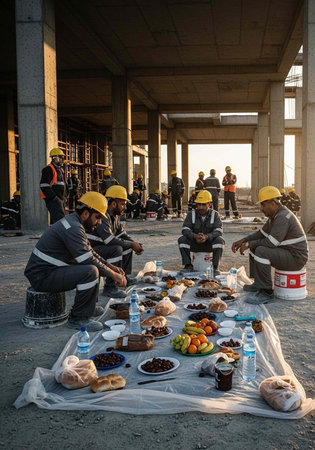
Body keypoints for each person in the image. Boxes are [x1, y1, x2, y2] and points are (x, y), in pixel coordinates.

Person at [24, 192, 127, 331]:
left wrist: (110, 267)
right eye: (97, 217)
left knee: (94, 266)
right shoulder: (73, 227)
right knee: (90, 271)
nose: (99, 222)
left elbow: (90, 252)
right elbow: (87, 259)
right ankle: (79, 318)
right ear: (85, 214)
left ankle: (89, 307)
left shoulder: (75, 223)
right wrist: (113, 275)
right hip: (41, 276)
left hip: (48, 271)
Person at [231, 186, 308, 305]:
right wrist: (244, 240)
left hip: (296, 258)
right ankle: (258, 284)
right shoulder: (275, 216)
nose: (261, 208)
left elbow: (272, 243)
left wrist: (249, 244)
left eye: (263, 205)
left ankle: (266, 292)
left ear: (272, 203)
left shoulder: (282, 217)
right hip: (288, 253)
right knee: (256, 247)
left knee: (261, 250)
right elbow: (261, 234)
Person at [87, 185, 144, 298]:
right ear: (113, 204)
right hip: (92, 249)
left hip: (100, 246)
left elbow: (121, 233)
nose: (125, 207)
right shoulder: (103, 216)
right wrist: (132, 244)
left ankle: (124, 277)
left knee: (126, 246)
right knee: (116, 249)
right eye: (122, 204)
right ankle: (110, 287)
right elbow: (109, 240)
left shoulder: (115, 216)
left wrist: (134, 243)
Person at [178, 190, 224, 275]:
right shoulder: (191, 214)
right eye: (199, 204)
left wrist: (207, 237)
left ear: (209, 204)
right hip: (195, 243)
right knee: (182, 240)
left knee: (219, 241)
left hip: (209, 244)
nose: (201, 207)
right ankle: (188, 266)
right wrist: (194, 236)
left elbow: (219, 230)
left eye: (203, 204)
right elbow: (185, 229)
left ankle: (215, 267)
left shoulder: (215, 215)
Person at [40, 148, 68, 224]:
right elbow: (44, 185)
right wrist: (54, 198)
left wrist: (65, 196)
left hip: (60, 198)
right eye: (61, 158)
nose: (62, 160)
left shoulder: (60, 170)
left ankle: (55, 234)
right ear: (55, 158)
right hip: (54, 199)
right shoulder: (48, 169)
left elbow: (63, 184)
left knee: (57, 219)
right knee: (61, 219)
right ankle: (65, 233)